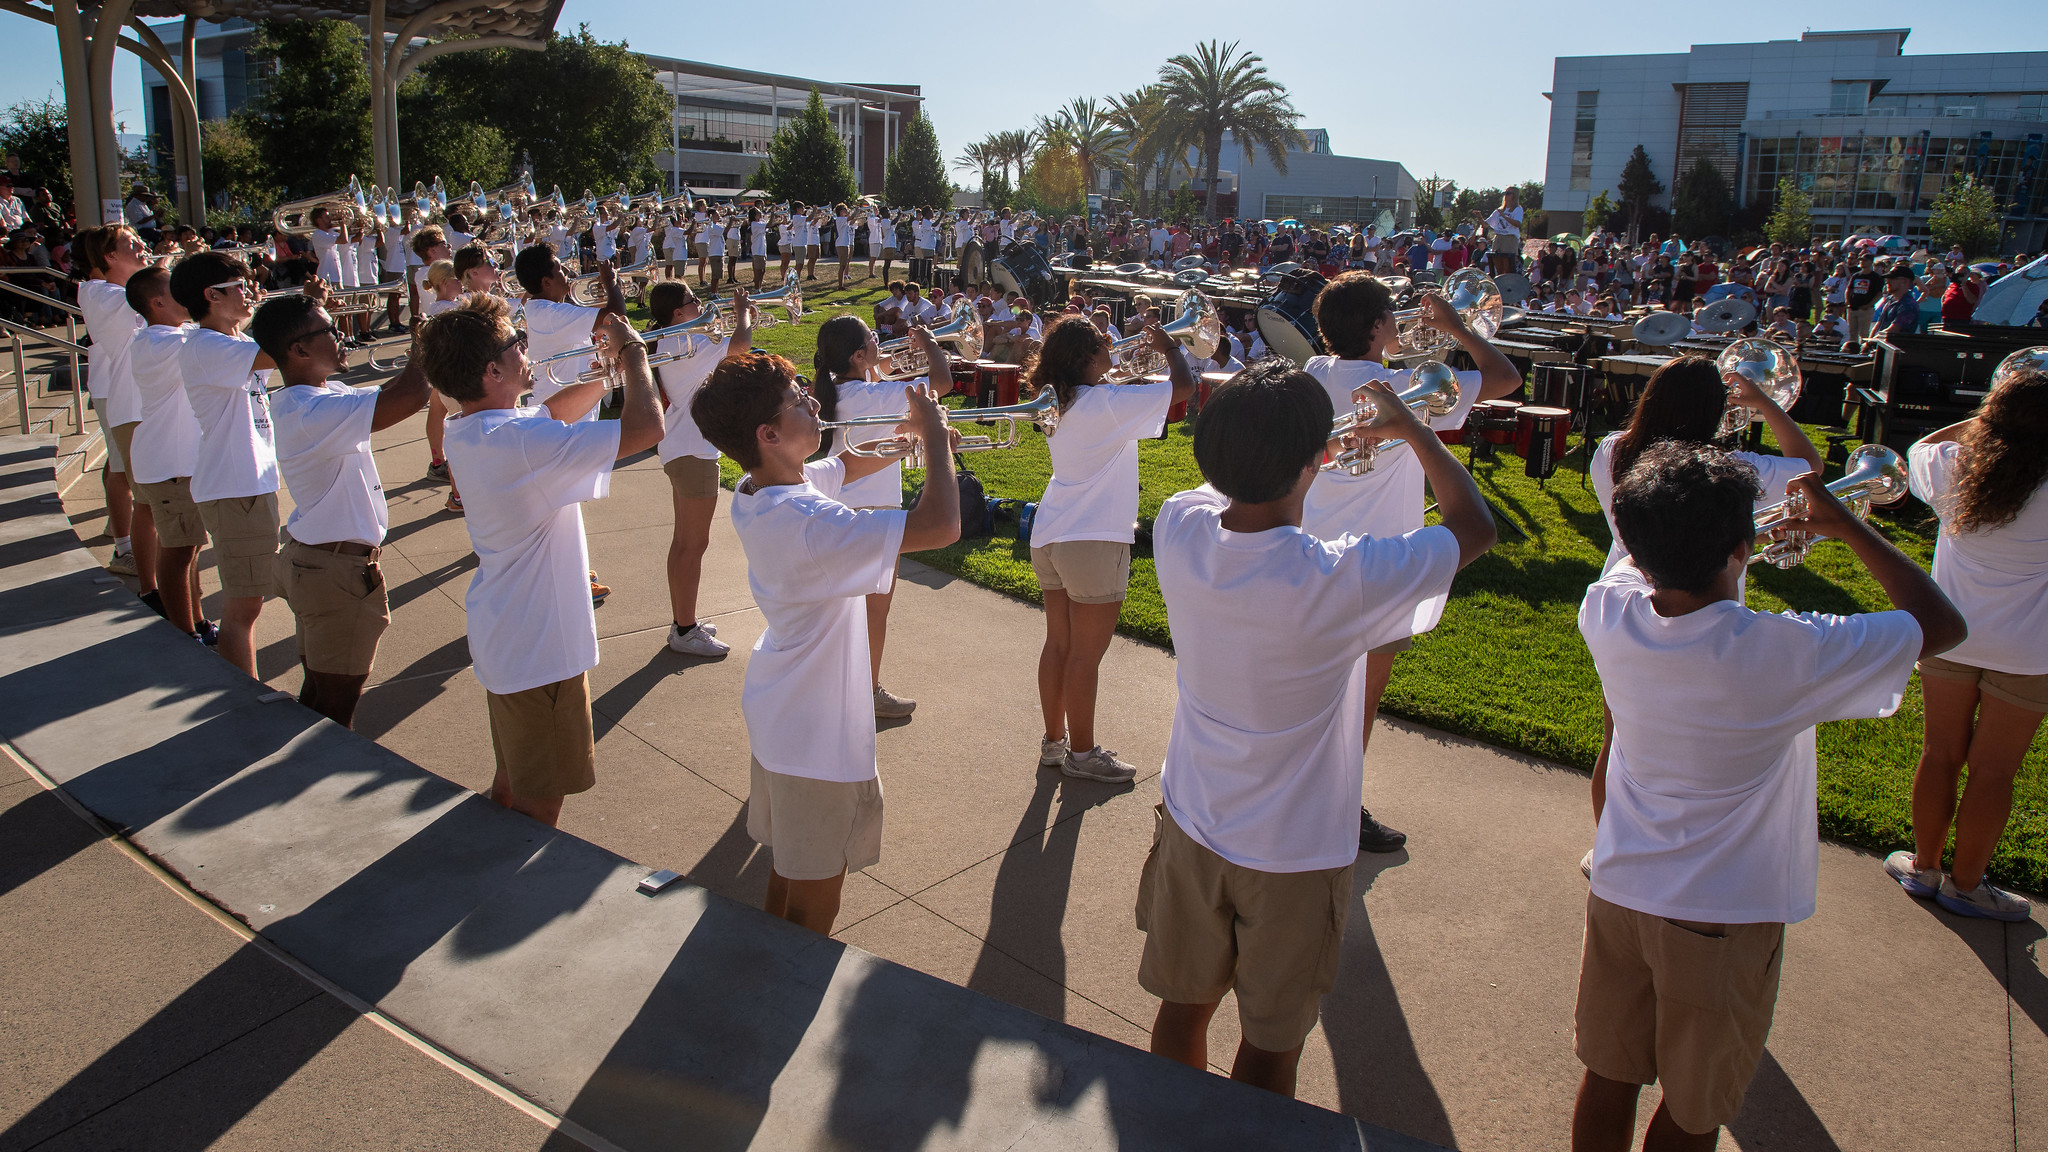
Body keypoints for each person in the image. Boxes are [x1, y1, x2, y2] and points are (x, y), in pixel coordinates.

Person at [1571, 442, 1964, 1152]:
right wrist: (1850, 526)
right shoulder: (1782, 653)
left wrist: (1732, 538)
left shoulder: (1606, 610)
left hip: (1622, 889)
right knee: (1695, 1107)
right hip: (1723, 916)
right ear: (1740, 548)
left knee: (1608, 1075)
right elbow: (1941, 624)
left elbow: (1647, 556)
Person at [1141, 359, 1497, 1098]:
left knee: (1181, 1014)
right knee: (1271, 1050)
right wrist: (1417, 431)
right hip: (1295, 854)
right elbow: (1474, 527)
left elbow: (1225, 482)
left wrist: (1305, 445)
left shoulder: (1178, 526)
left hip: (1193, 821)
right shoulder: (1341, 577)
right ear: (1320, 462)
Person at [690, 350, 961, 934]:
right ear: (769, 434)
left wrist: (905, 438)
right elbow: (941, 527)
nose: (812, 401)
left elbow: (845, 467)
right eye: (796, 400)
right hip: (816, 736)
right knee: (815, 902)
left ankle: (768, 974)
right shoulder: (809, 522)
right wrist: (936, 446)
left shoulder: (761, 487)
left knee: (788, 871)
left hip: (787, 718)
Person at [419, 294, 665, 826]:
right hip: (540, 646)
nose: (525, 348)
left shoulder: (473, 426)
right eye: (515, 344)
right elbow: (646, 431)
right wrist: (637, 356)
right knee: (540, 799)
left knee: (513, 780)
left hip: (510, 633)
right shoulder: (520, 440)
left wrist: (605, 375)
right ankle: (508, 897)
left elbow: (550, 411)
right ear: (492, 370)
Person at [1298, 272, 1522, 851]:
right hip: (1382, 568)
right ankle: (1341, 807)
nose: (1400, 326)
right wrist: (1454, 328)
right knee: (1360, 704)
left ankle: (1308, 792)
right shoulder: (1403, 392)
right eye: (1391, 319)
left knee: (1314, 689)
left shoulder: (1315, 374)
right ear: (1375, 328)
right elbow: (1505, 378)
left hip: (1312, 557)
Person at [1887, 365, 2047, 921]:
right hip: (2030, 652)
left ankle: (1924, 869)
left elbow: (1923, 444)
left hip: (1949, 636)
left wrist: (1983, 418)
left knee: (1940, 753)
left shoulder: (1956, 466)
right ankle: (1968, 886)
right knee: (1994, 771)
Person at [1027, 316, 1196, 782]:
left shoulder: (1058, 402)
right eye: (1103, 342)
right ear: (1085, 357)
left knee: (1058, 645)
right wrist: (1168, 347)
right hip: (1094, 538)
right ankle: (1082, 755)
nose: (1112, 345)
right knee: (1085, 655)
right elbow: (1183, 388)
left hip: (1051, 531)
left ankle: (1054, 742)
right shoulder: (1107, 402)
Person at [252, 292, 430, 727]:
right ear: (299, 350)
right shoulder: (311, 409)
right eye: (330, 330)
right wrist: (427, 343)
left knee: (318, 692)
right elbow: (408, 396)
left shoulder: (321, 394)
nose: (341, 336)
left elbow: (390, 390)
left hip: (321, 563)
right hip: (334, 571)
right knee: (336, 706)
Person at [809, 316, 957, 718]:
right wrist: (930, 345)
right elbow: (941, 385)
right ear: (858, 356)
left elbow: (881, 371)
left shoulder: (838, 389)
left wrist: (882, 360)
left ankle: (837, 687)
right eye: (872, 340)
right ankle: (867, 691)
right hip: (873, 509)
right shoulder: (873, 396)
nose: (880, 341)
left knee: (841, 609)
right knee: (875, 610)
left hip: (838, 502)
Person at [168, 252, 285, 678]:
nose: (250, 290)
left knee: (249, 601)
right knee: (243, 607)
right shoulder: (205, 346)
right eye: (240, 285)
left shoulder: (230, 342)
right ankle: (247, 699)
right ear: (211, 295)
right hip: (235, 488)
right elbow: (284, 354)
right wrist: (303, 311)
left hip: (248, 484)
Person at [514, 244, 625, 603]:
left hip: (567, 412)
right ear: (546, 281)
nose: (569, 274)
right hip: (562, 418)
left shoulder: (550, 309)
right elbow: (614, 320)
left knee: (563, 502)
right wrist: (612, 285)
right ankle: (570, 576)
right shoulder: (546, 311)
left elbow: (591, 327)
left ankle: (571, 569)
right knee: (561, 506)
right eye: (560, 270)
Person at [646, 279, 751, 658]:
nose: (701, 305)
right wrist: (742, 313)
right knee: (694, 544)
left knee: (685, 543)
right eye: (693, 301)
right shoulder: (681, 341)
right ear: (677, 312)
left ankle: (683, 622)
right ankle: (685, 630)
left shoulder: (677, 337)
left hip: (684, 445)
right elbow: (739, 351)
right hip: (692, 449)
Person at [124, 266, 210, 638]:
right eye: (178, 290)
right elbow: (214, 341)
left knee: (189, 553)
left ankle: (198, 622)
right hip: (170, 465)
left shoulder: (179, 334)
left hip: (178, 463)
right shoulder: (159, 343)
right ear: (158, 303)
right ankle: (185, 635)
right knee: (179, 554)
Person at [75, 225, 151, 584]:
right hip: (113, 388)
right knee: (122, 470)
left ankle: (123, 535)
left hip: (131, 388)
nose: (142, 247)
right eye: (131, 244)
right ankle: (124, 548)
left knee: (122, 468)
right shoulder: (98, 291)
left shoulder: (116, 289)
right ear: (108, 257)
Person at [1870, 266, 1920, 342]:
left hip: (1894, 349)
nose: (1887, 281)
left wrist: (1871, 342)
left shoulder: (1908, 305)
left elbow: (1893, 330)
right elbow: (1878, 324)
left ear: (1905, 281)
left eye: (1892, 278)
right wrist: (1869, 341)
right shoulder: (1889, 299)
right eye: (1887, 278)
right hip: (1880, 345)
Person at [1485, 187, 1523, 276]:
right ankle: (1499, 279)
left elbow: (1518, 223)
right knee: (1497, 261)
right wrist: (1479, 217)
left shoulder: (1517, 209)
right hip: (1498, 236)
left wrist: (1505, 216)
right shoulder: (1500, 210)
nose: (1506, 195)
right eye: (1505, 193)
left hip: (1510, 237)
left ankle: (1508, 281)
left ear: (1514, 195)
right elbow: (1486, 224)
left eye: (1508, 193)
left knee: (1507, 264)